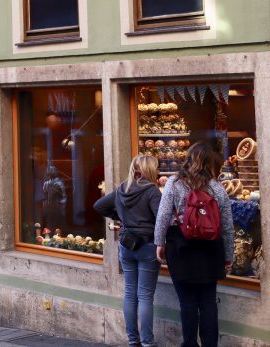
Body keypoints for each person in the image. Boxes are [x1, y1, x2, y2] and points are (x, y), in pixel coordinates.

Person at [155, 142, 234, 347]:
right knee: (208, 301)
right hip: (211, 249)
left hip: (180, 248)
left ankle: (189, 343)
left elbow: (163, 215)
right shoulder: (217, 188)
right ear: (211, 164)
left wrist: (159, 243)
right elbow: (227, 226)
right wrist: (228, 256)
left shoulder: (174, 182)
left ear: (189, 159)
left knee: (187, 300)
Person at [94, 154, 163, 347]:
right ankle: (148, 342)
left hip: (126, 245)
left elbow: (99, 206)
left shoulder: (122, 189)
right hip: (148, 247)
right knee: (145, 296)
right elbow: (161, 220)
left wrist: (122, 217)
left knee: (130, 293)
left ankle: (133, 340)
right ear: (150, 170)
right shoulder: (152, 192)